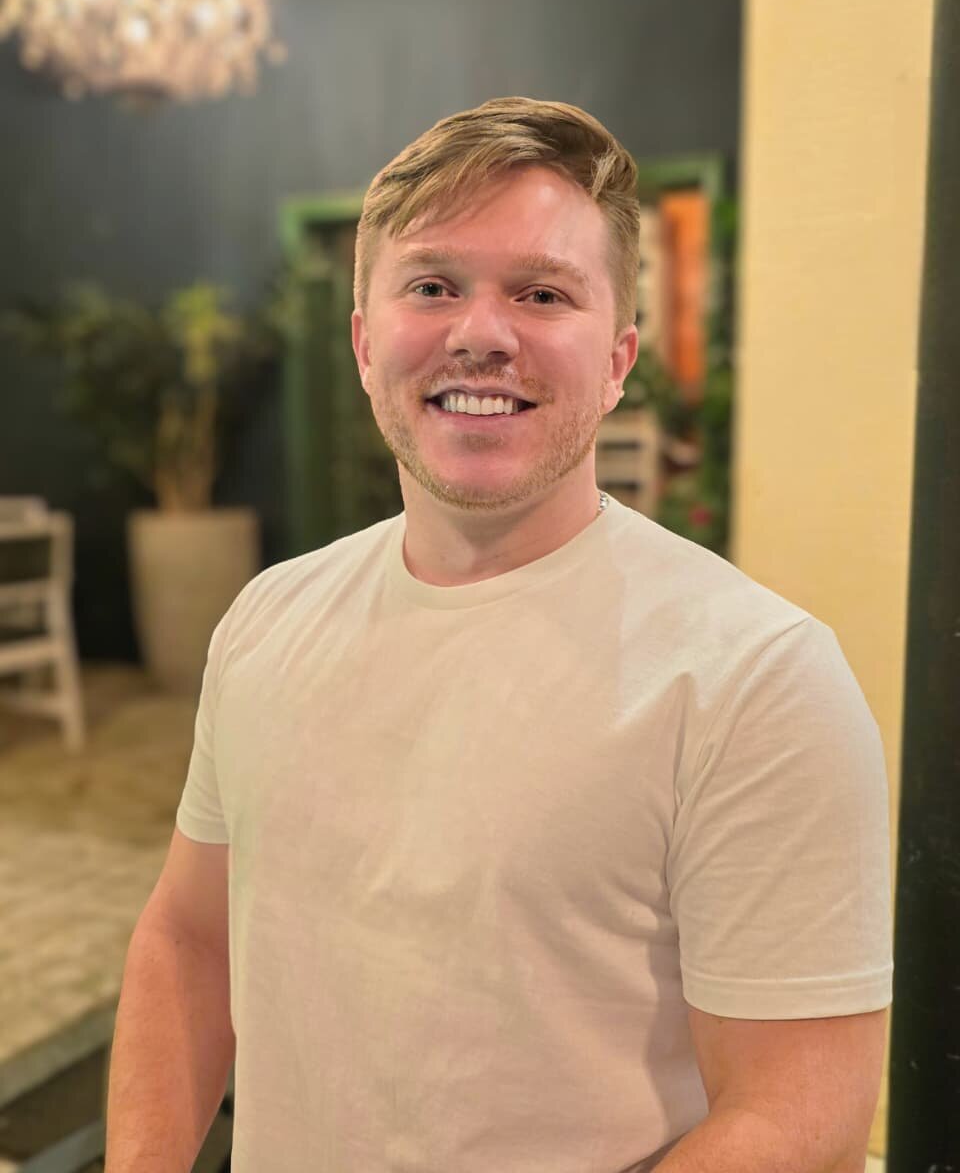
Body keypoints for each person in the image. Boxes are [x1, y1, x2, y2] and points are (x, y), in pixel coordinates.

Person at [104, 98, 893, 1173]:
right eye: (433, 285)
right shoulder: (265, 618)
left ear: (618, 359)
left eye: (542, 291)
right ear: (364, 341)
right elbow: (188, 943)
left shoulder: (757, 678)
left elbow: (800, 1119)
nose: (482, 329)